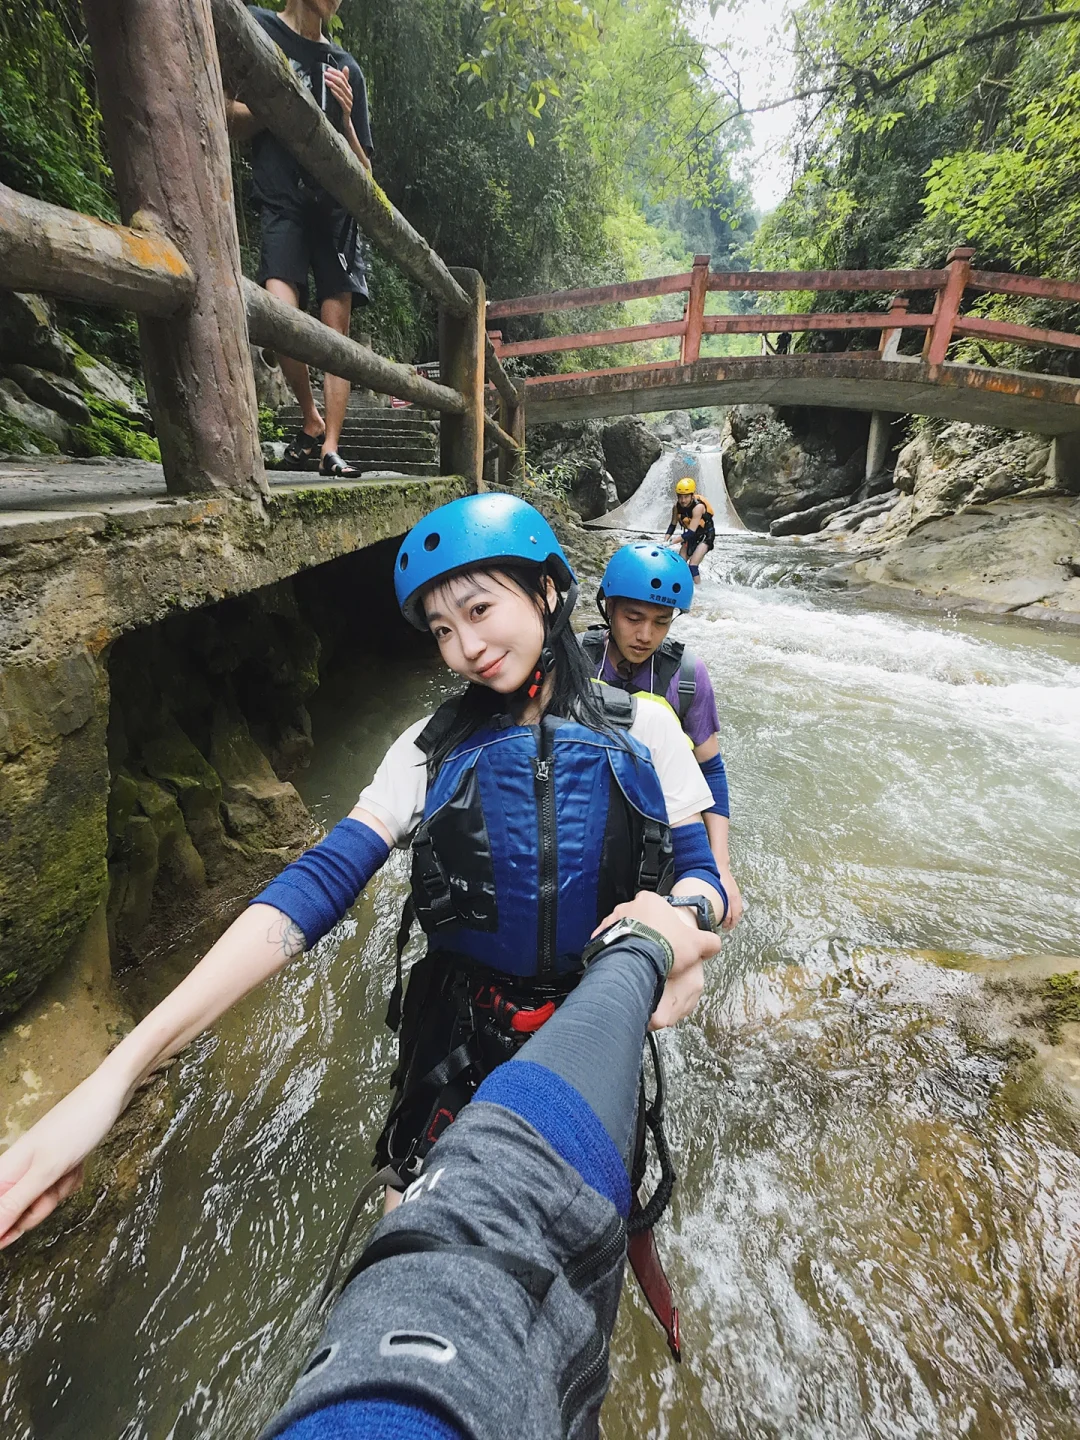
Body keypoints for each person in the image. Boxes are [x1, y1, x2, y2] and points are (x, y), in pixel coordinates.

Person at [0, 497, 724, 1309]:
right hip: (457, 1046)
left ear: (547, 592)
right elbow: (317, 882)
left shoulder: (646, 728)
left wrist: (680, 922)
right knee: (405, 1271)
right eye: (442, 629)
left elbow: (702, 877)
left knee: (573, 1290)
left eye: (479, 610)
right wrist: (117, 1075)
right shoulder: (427, 749)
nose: (465, 647)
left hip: (595, 1030)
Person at [259, 891, 721, 1440]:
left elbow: (707, 883)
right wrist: (644, 949)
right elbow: (322, 877)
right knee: (464, 1234)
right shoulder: (410, 810)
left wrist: (691, 910)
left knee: (435, 1238)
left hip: (584, 1020)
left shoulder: (671, 817)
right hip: (480, 1028)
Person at [227, 0, 375, 477]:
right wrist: (277, 101)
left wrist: (347, 121)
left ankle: (330, 447)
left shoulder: (346, 67)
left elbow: (366, 174)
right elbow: (227, 115)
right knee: (279, 315)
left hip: (334, 215)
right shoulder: (256, 28)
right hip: (282, 202)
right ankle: (311, 418)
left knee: (335, 335)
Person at [581, 543, 743, 929]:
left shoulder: (687, 677)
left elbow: (711, 770)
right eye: (633, 618)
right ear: (609, 608)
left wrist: (720, 866)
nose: (645, 635)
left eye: (661, 621)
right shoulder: (574, 660)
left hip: (660, 828)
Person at [664, 476, 715, 579]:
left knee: (692, 566)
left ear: (692, 496)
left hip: (706, 536)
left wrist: (671, 542)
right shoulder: (676, 507)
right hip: (692, 536)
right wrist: (664, 541)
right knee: (680, 564)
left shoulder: (698, 507)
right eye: (680, 497)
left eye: (686, 497)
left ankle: (698, 587)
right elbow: (672, 525)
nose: (683, 500)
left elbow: (690, 532)